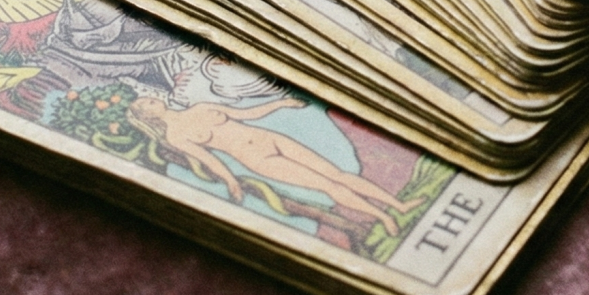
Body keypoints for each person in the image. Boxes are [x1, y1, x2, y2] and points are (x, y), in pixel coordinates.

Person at [127, 96, 426, 235]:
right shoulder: (176, 136)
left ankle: (398, 206)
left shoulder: (200, 105)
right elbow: (210, 160)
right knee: (328, 186)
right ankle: (382, 217)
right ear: (147, 115)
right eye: (147, 104)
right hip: (257, 159)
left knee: (338, 174)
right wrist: (231, 181)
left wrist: (280, 104)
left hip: (269, 138)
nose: (154, 101)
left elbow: (246, 114)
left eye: (151, 99)